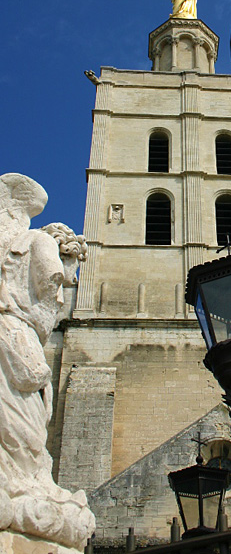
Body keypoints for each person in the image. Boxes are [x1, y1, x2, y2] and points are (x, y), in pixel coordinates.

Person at [0, 185, 94, 549]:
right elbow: (52, 294)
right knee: (27, 421)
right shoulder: (38, 245)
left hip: (18, 337)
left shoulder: (20, 242)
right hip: (20, 339)